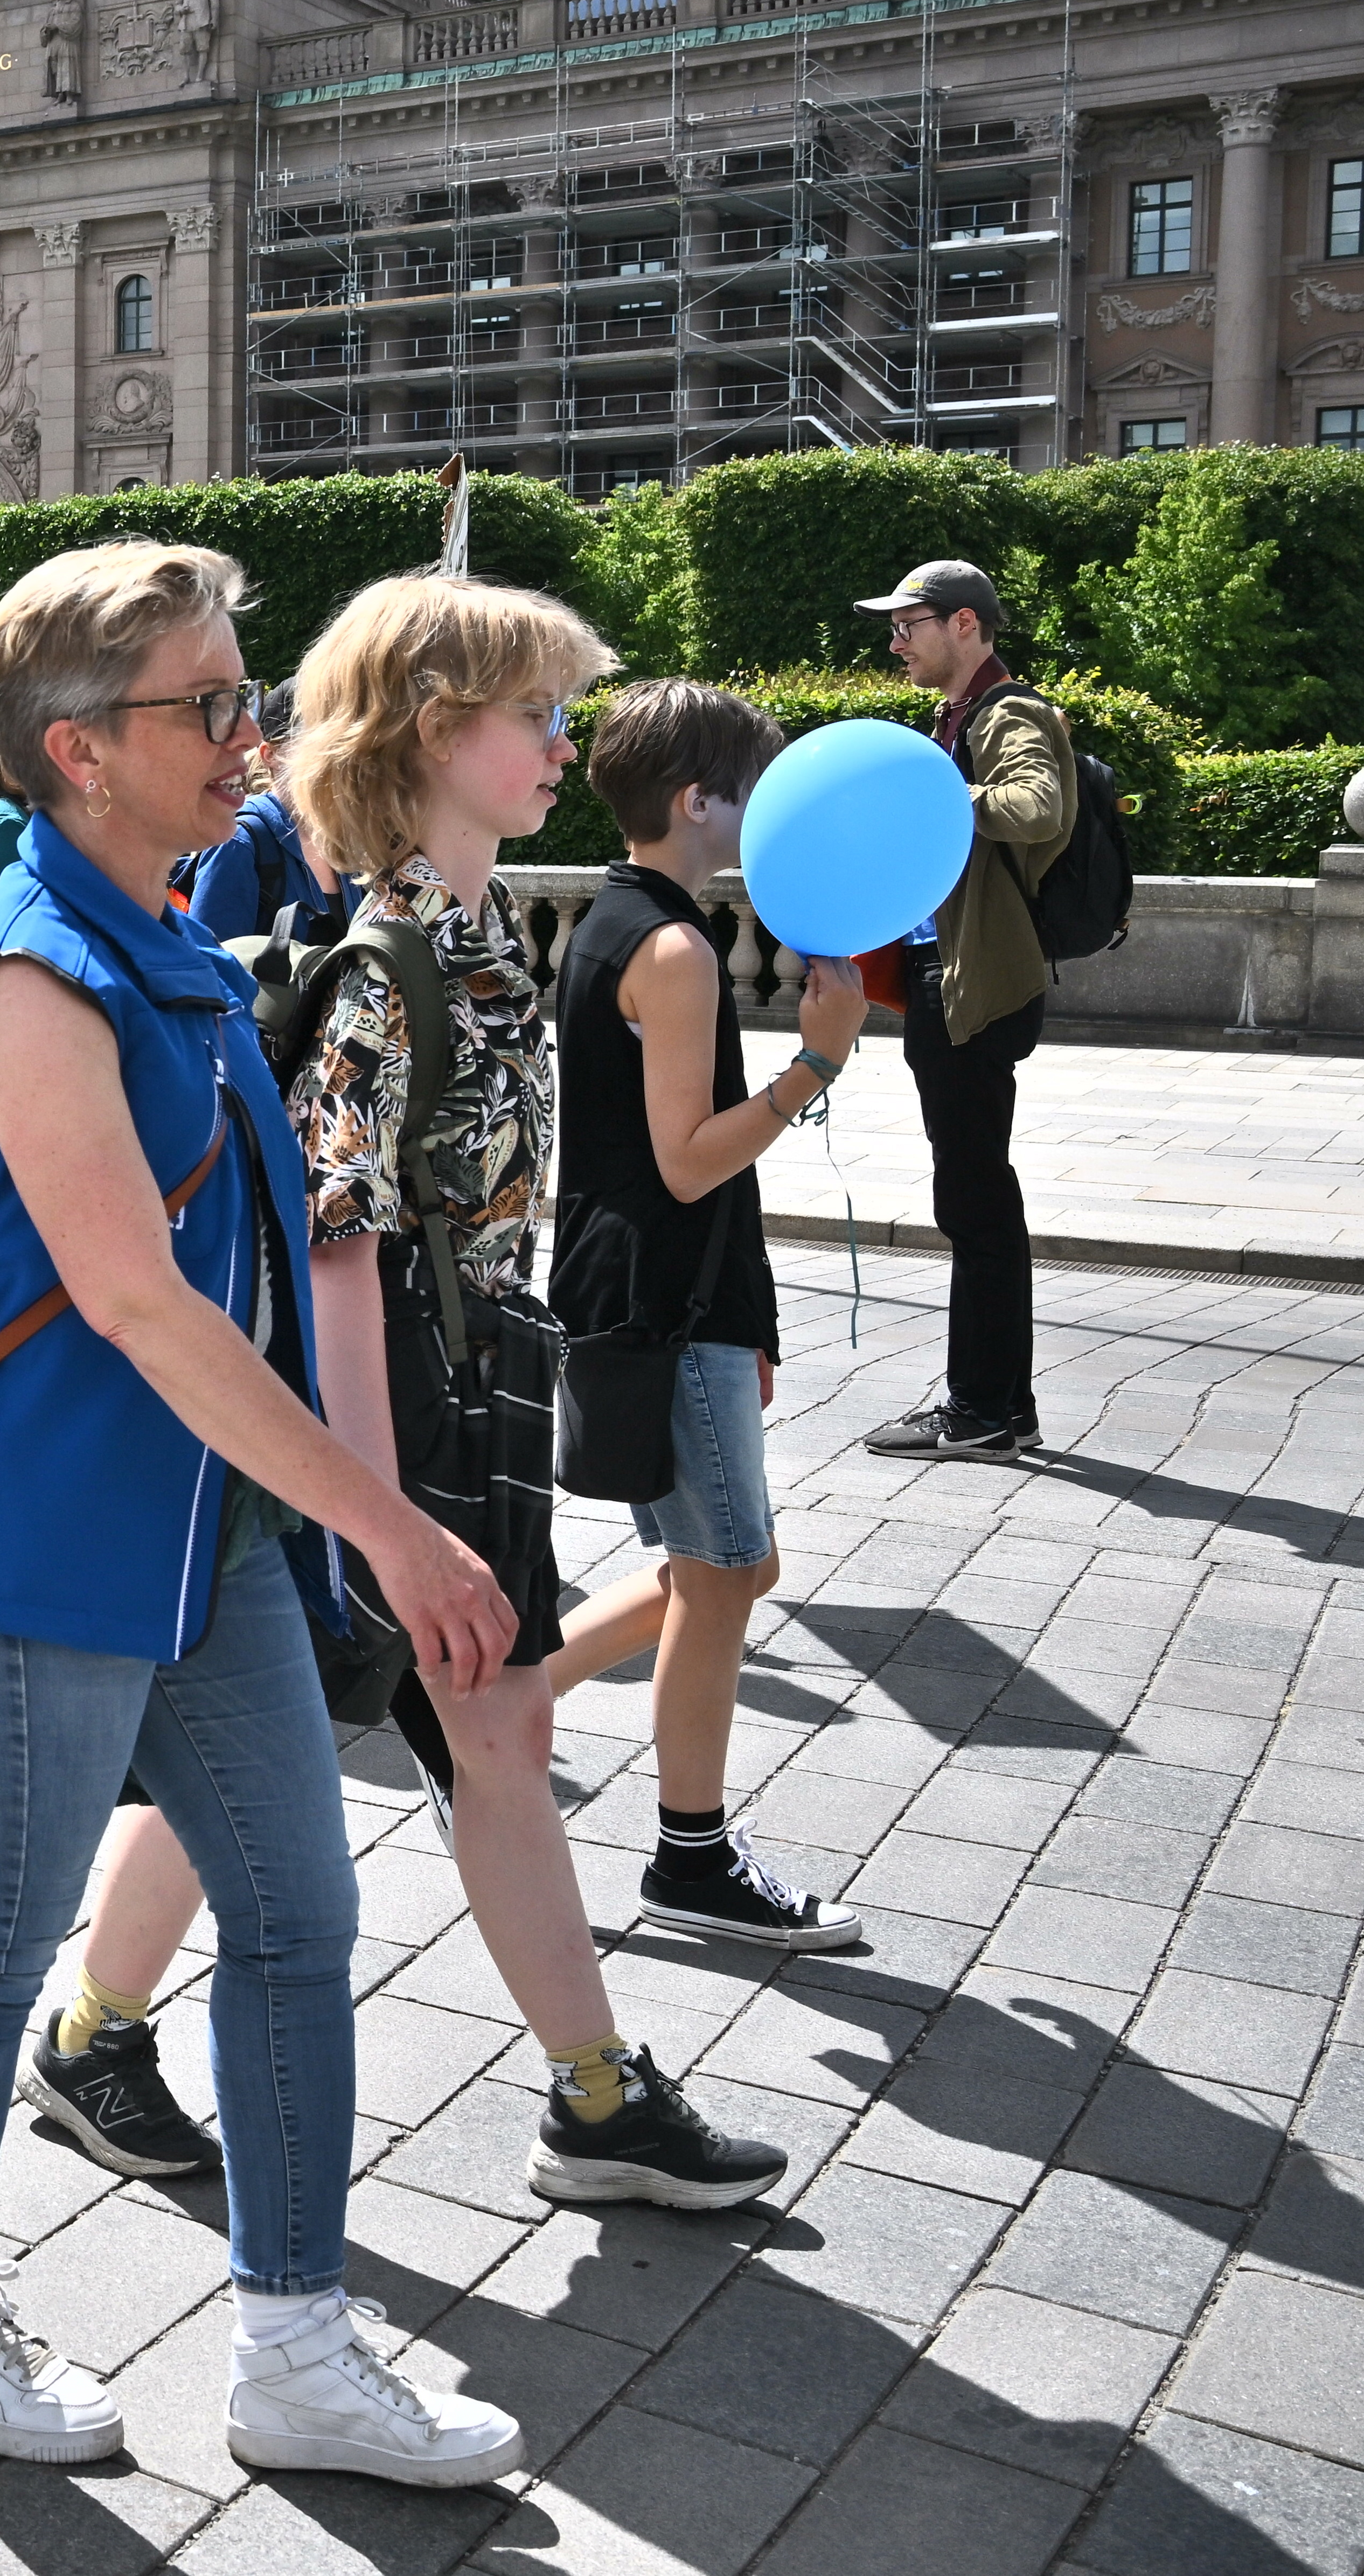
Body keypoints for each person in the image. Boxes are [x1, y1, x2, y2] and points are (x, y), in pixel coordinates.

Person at [0, 540, 523, 2485]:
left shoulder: (160, 926)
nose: (254, 731)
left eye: (247, 694)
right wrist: (391, 1529)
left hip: (201, 1530)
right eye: (211, 704)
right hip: (40, 1527)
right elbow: (137, 1301)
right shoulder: (19, 966)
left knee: (301, 1919)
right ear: (78, 747)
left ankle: (297, 2355)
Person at [39, 574, 787, 2222]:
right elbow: (338, 1256)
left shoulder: (467, 934)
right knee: (363, 1722)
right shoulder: (394, 962)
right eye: (537, 711)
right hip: (405, 1422)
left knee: (448, 1727)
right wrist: (374, 1522)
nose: (564, 741)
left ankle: (577, 2092)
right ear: (440, 731)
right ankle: (575, 2094)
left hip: (460, 1395)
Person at [531, 680, 871, 1950]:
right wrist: (817, 1060)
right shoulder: (669, 949)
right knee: (723, 1568)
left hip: (680, 1294)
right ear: (697, 801)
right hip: (663, 1298)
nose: (766, 812)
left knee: (726, 1563)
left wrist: (755, 1313)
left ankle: (488, 1709)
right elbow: (684, 1161)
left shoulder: (625, 921)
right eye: (752, 786)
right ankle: (690, 1855)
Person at [858, 557, 1071, 1459]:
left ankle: (983, 1409)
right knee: (974, 1193)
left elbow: (1037, 804)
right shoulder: (953, 718)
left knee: (975, 1198)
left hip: (971, 989)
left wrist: (930, 794)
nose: (896, 639)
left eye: (911, 621)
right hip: (947, 982)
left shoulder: (1010, 713)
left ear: (968, 627)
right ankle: (996, 1401)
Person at [173, 676, 357, 945]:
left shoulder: (351, 838)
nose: (333, 756)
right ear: (270, 755)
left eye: (339, 741)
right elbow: (212, 969)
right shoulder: (239, 843)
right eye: (315, 744)